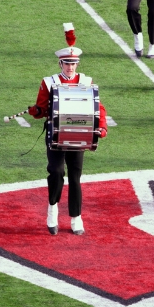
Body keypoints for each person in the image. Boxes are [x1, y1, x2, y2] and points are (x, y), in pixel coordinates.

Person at [27, 23, 107, 236]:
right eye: (67, 64)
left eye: (73, 64)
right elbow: (42, 109)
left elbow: (98, 108)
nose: (70, 68)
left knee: (75, 176)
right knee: (56, 171)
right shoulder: (49, 82)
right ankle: (52, 208)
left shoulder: (86, 81)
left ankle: (76, 217)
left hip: (78, 134)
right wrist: (35, 111)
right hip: (55, 134)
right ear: (60, 63)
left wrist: (101, 128)